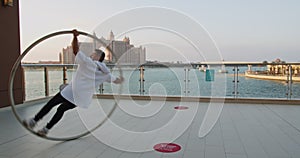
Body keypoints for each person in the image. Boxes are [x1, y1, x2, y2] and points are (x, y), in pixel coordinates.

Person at [23, 29, 124, 136]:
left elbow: (76, 50)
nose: (91, 55)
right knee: (61, 109)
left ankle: (34, 121)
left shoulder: (87, 62)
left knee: (51, 104)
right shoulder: (106, 73)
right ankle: (46, 130)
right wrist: (121, 79)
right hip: (80, 99)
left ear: (98, 57)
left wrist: (75, 36)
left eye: (93, 54)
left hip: (70, 92)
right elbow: (116, 80)